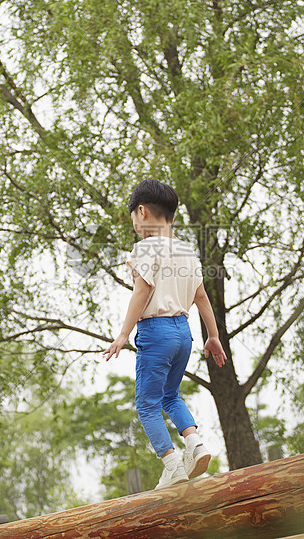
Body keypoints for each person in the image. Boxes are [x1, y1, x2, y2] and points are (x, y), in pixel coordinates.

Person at [103, 179, 228, 489]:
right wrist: (213, 336)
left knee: (146, 404)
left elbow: (142, 291)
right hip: (184, 333)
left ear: (141, 212)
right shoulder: (187, 252)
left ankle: (172, 465)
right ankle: (195, 444)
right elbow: (201, 298)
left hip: (156, 332)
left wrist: (123, 334)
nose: (134, 223)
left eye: (132, 216)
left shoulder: (144, 248)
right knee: (170, 395)